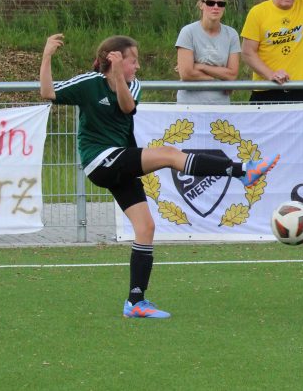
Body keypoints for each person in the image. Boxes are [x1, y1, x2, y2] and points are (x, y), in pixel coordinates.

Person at [39, 33, 280, 319]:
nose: (137, 66)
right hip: (100, 160)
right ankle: (241, 171)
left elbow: (127, 107)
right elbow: (47, 92)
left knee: (146, 228)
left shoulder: (133, 84)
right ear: (115, 59)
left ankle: (135, 301)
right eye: (133, 61)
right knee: (168, 154)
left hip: (120, 160)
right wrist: (47, 55)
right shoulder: (89, 83)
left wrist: (119, 76)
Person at [175, 0, 241, 104]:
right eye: (210, 3)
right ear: (201, 5)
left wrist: (200, 66)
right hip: (189, 105)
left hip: (220, 105)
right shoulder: (188, 32)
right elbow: (187, 74)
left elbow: (232, 74)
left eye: (220, 4)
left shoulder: (232, 34)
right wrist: (219, 80)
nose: (216, 7)